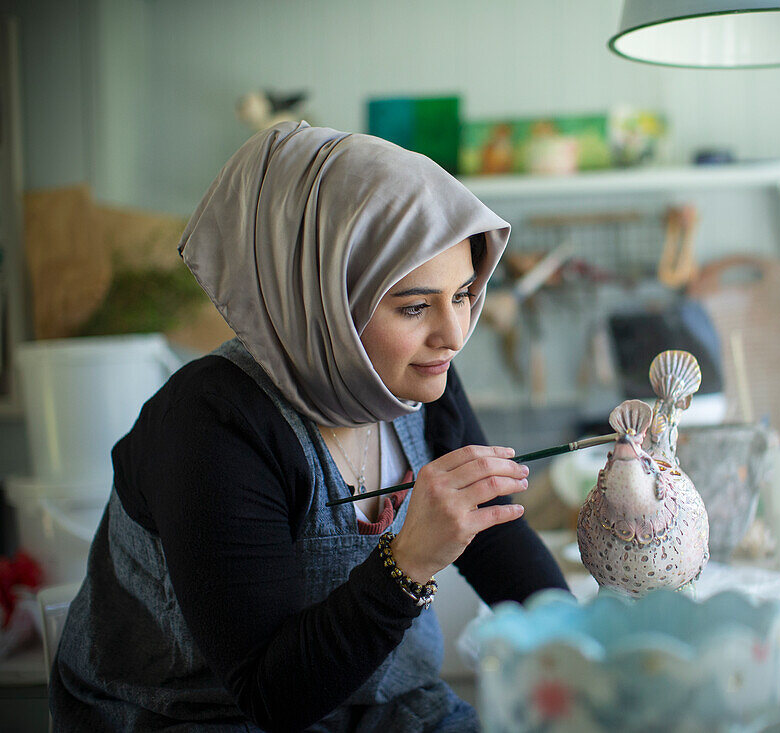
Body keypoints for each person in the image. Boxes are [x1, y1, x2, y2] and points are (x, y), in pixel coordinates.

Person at [50, 121, 570, 732]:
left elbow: (496, 537)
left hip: (377, 710)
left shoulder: (419, 378)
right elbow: (272, 695)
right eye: (412, 306)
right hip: (197, 718)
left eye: (462, 295)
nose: (454, 336)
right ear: (322, 299)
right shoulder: (213, 424)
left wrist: (589, 647)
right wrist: (409, 559)